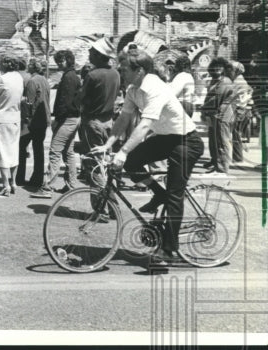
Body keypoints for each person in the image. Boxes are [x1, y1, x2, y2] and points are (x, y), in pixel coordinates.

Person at [101, 49, 204, 266]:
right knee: (132, 163)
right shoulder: (133, 90)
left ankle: (168, 250)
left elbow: (145, 124)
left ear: (139, 70)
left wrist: (122, 151)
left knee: (175, 195)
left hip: (186, 141)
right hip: (166, 138)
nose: (120, 73)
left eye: (124, 69)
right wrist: (108, 145)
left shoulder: (155, 88)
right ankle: (159, 193)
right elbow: (123, 119)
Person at [33, 49, 82, 199]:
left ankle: (48, 186)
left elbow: (64, 102)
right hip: (73, 118)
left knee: (55, 151)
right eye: (58, 61)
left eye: (61, 61)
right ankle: (71, 185)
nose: (59, 64)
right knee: (68, 152)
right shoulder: (73, 76)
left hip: (66, 119)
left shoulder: (68, 77)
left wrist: (58, 120)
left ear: (68, 60)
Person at [0, 56, 23, 196]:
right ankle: (13, 182)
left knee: (2, 152)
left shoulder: (2, 79)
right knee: (13, 151)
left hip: (2, 118)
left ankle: (6, 184)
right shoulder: (18, 77)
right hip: (15, 117)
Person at [77, 38, 121, 151]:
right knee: (106, 154)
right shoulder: (116, 74)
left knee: (93, 155)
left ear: (98, 55)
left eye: (92, 50)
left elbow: (81, 98)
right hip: (109, 120)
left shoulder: (93, 75)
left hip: (93, 121)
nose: (89, 52)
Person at [16, 58, 51, 187]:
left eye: (30, 65)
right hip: (44, 118)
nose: (27, 67)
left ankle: (20, 177)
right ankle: (37, 177)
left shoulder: (32, 81)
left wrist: (22, 107)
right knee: (38, 149)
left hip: (33, 120)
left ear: (33, 67)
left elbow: (29, 102)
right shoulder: (44, 80)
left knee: (21, 147)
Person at [200, 57, 235, 175]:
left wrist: (203, 107)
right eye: (214, 68)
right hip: (215, 115)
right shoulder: (217, 81)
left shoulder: (225, 81)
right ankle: (216, 165)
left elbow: (216, 99)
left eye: (219, 68)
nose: (216, 70)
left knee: (221, 141)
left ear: (224, 68)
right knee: (215, 141)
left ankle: (222, 168)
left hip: (222, 115)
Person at [229, 61, 253, 164]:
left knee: (236, 133)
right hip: (241, 109)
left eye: (231, 69)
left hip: (239, 109)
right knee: (236, 133)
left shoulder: (238, 81)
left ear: (236, 71)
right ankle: (240, 151)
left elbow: (230, 95)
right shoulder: (240, 80)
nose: (229, 71)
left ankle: (238, 157)